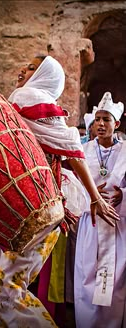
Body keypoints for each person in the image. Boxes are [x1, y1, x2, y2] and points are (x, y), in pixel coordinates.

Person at [0, 54, 119, 328]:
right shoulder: (30, 102)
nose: (21, 70)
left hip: (35, 211)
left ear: (44, 75)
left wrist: (95, 197)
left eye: (30, 68)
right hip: (20, 208)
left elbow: (73, 152)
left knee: (5, 287)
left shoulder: (31, 98)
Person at [74, 92, 126, 328]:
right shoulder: (82, 151)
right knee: (87, 276)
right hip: (91, 223)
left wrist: (122, 195)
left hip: (117, 224)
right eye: (97, 120)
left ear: (117, 123)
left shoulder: (125, 151)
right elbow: (73, 186)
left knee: (114, 282)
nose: (101, 124)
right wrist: (91, 198)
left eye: (106, 119)